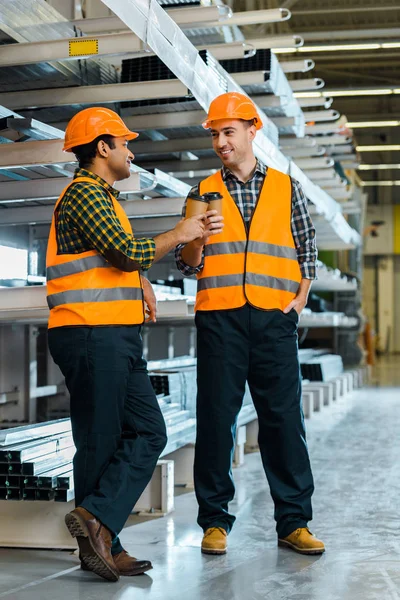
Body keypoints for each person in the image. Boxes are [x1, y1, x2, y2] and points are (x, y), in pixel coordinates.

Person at [47, 106, 214, 582]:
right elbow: (127, 250)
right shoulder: (85, 194)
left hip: (112, 334)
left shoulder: (103, 197)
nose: (130, 150)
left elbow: (120, 257)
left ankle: (99, 523)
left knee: (147, 432)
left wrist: (138, 276)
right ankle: (101, 539)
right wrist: (181, 233)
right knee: (99, 442)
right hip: (90, 332)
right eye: (124, 143)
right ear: (103, 148)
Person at [175, 92, 325, 556]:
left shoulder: (284, 186)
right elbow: (188, 265)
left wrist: (298, 302)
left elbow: (307, 249)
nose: (220, 142)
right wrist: (198, 237)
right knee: (217, 419)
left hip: (273, 318)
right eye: (215, 134)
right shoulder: (201, 193)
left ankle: (294, 522)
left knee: (283, 420)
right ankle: (214, 523)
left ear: (251, 130)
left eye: (228, 132)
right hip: (220, 318)